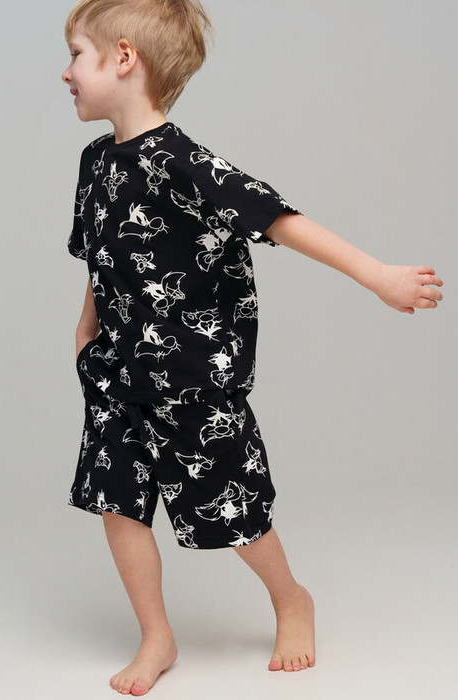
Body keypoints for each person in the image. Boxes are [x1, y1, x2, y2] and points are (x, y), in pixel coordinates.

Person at [61, 0, 443, 695]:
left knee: (232, 506)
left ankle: (291, 599)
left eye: (76, 55)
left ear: (123, 59)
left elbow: (278, 219)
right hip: (116, 371)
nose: (66, 73)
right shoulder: (95, 162)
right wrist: (85, 328)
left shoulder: (185, 163)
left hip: (192, 378)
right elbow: (100, 251)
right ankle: (156, 635)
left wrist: (378, 275)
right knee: (118, 504)